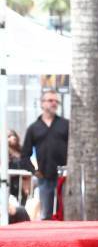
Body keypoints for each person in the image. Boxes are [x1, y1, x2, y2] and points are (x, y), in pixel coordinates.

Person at [21, 90, 69, 220]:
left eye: (56, 101)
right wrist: (34, 170)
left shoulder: (66, 124)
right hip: (44, 177)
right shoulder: (33, 128)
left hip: (65, 177)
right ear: (42, 104)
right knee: (46, 215)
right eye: (50, 100)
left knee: (65, 214)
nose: (54, 103)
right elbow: (24, 155)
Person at [8, 130, 31, 205]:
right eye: (9, 136)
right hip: (10, 184)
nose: (13, 137)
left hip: (23, 185)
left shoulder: (21, 150)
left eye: (14, 135)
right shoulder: (4, 152)